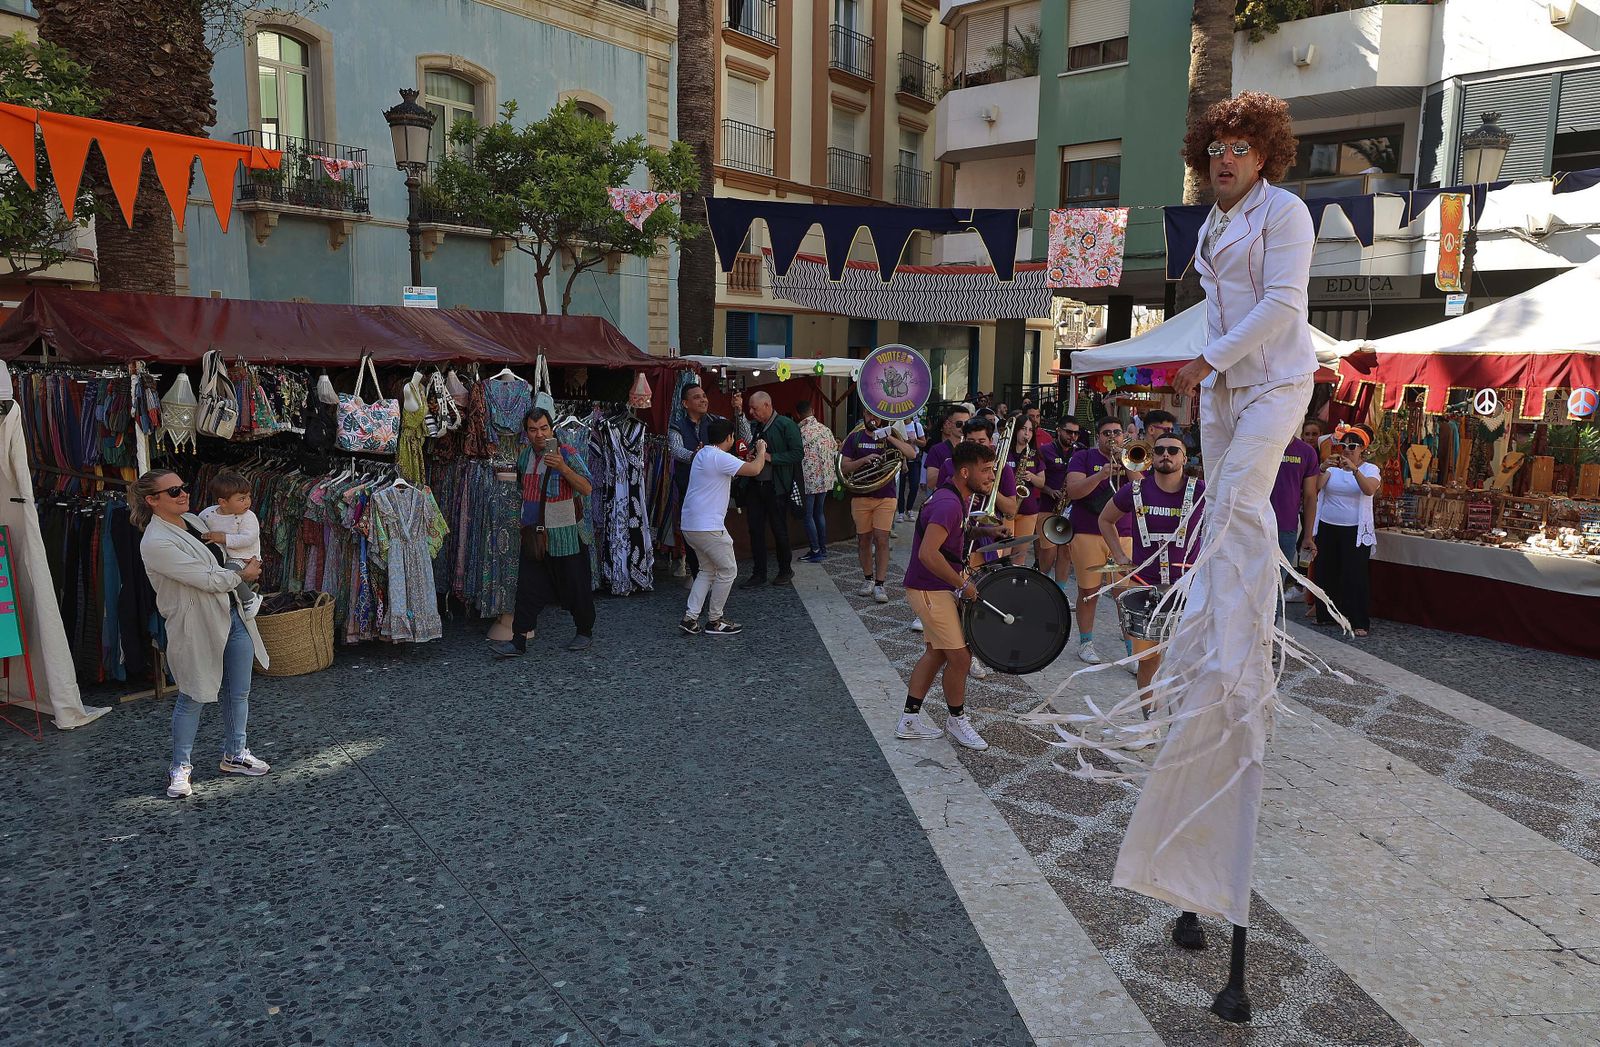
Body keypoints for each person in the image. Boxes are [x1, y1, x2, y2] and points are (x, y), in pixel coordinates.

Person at [1113, 90, 1320, 940]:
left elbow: (1281, 306)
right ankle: (1211, 633)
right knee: (1217, 510)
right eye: (1216, 147)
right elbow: (1215, 306)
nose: (1225, 158)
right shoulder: (1210, 225)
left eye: (1240, 147)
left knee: (1238, 499)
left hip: (1274, 382)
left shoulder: (1287, 214)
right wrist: (1201, 367)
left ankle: (1235, 647)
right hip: (1224, 390)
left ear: (1265, 154)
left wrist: (1205, 360)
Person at [133, 470, 270, 800]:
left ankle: (235, 752)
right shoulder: (155, 541)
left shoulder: (193, 521)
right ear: (152, 500)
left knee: (239, 691)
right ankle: (180, 765)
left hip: (231, 614)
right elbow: (206, 578)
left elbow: (219, 562)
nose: (183, 494)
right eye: (173, 491)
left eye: (183, 487)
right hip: (196, 623)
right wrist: (242, 575)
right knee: (193, 693)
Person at [899, 440, 997, 752]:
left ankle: (909, 720)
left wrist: (984, 532)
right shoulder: (948, 504)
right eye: (986, 470)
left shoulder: (955, 497)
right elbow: (928, 554)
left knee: (937, 653)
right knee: (961, 657)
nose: (991, 476)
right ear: (965, 472)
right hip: (930, 588)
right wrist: (961, 584)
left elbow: (950, 536)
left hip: (932, 587)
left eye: (993, 469)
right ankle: (957, 720)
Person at [1099, 433, 1205, 696]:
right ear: (1152, 456)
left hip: (1189, 588)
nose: (1165, 454)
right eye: (1159, 450)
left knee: (1190, 661)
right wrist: (1119, 555)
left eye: (1173, 450)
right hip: (1146, 586)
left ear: (1184, 458)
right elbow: (1105, 519)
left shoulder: (1202, 490)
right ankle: (1148, 716)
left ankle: (1181, 715)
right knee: (1148, 661)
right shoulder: (1135, 490)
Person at [491, 407, 596, 657]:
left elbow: (587, 487)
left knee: (575, 584)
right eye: (533, 429)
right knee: (527, 587)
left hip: (566, 534)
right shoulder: (525, 456)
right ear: (526, 432)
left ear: (552, 429)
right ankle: (518, 640)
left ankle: (584, 631)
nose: (539, 434)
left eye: (544, 428)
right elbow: (522, 488)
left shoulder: (567, 453)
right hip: (534, 535)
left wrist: (563, 468)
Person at [680, 418, 770, 636]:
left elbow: (733, 467)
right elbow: (755, 469)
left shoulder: (702, 454)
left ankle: (690, 618)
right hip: (708, 527)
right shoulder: (719, 457)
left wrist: (745, 459)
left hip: (690, 525)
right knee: (728, 570)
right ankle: (715, 620)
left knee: (707, 570)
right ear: (729, 437)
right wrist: (761, 450)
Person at [1064, 416, 1135, 664]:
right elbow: (1073, 491)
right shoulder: (1083, 457)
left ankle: (1132, 651)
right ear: (1098, 437)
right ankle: (1086, 643)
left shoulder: (1131, 457)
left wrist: (1128, 464)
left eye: (1117, 432)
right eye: (1107, 433)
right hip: (1088, 531)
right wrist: (1101, 475)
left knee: (1125, 595)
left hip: (1123, 532)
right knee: (1088, 591)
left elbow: (1143, 490)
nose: (1112, 437)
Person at [671, 384, 749, 575]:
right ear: (685, 403)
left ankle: (713, 577)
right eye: (697, 397)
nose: (703, 400)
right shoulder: (677, 425)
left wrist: (739, 412)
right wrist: (695, 455)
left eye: (704, 395)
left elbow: (745, 438)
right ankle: (698, 575)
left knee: (715, 535)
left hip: (715, 491)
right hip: (689, 489)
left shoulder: (717, 421)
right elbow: (675, 450)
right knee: (692, 538)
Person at [840, 413, 916, 603]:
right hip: (861, 495)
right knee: (863, 540)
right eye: (868, 413)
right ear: (864, 414)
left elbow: (912, 454)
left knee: (882, 539)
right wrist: (862, 461)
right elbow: (844, 467)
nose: (872, 418)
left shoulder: (891, 435)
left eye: (876, 414)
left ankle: (880, 584)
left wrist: (889, 437)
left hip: (886, 495)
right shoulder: (855, 437)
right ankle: (868, 579)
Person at [1313, 424, 1379, 637]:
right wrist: (1322, 468)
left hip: (1354, 529)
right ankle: (1327, 615)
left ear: (1362, 449)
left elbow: (1369, 490)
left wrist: (1355, 470)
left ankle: (1358, 620)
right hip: (1328, 525)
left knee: (1354, 575)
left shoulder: (1370, 469)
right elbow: (1315, 487)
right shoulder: (1333, 469)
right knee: (1326, 571)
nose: (1347, 450)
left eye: (1352, 446)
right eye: (1343, 446)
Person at [739, 391, 802, 589]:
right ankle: (759, 573)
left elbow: (797, 453)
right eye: (750, 408)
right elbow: (750, 446)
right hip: (755, 486)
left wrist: (771, 457)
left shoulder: (786, 424)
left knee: (779, 529)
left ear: (767, 405)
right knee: (755, 530)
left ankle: (785, 570)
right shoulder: (756, 426)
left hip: (776, 487)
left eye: (754, 408)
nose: (751, 412)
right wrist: (751, 455)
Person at [1272, 430, 1321, 602]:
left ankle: (1273, 621)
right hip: (1254, 525)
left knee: (1276, 586)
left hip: (1286, 529)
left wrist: (1308, 536)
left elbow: (1310, 496)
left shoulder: (1306, 452)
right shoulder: (1260, 444)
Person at [1035, 417, 1078, 587]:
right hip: (1048, 506)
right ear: (1059, 430)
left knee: (1066, 552)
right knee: (1049, 551)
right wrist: (1049, 490)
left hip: (1070, 509)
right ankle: (1042, 586)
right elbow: (1037, 478)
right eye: (1069, 432)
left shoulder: (1079, 452)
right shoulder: (1045, 450)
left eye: (1076, 433)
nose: (1072, 436)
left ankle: (1060, 590)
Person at [795, 399, 838, 563]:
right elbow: (834, 449)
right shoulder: (825, 430)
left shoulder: (800, 432)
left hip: (808, 480)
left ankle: (815, 550)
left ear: (798, 415)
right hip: (825, 479)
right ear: (812, 411)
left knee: (808, 516)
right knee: (819, 513)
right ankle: (823, 548)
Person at [198, 470, 262, 566]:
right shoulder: (207, 514)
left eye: (248, 497)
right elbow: (198, 527)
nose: (247, 502)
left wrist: (224, 538)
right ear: (223, 502)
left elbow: (249, 538)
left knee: (231, 571)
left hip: (243, 558)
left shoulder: (248, 516)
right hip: (218, 555)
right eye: (242, 499)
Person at [1006, 417, 1045, 566]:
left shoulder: (1035, 454)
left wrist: (1031, 476)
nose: (1027, 433)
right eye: (1023, 429)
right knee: (1003, 552)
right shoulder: (1005, 452)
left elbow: (1041, 482)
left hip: (1028, 510)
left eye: (1030, 430)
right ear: (1016, 430)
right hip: (1006, 508)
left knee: (1020, 554)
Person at [922, 404, 971, 495]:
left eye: (967, 424)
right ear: (948, 424)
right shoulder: (936, 449)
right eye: (959, 424)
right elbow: (931, 483)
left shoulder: (973, 448)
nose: (963, 427)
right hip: (948, 497)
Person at [895, 412, 928, 522]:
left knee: (914, 485)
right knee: (900, 487)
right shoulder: (898, 425)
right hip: (901, 459)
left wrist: (915, 440)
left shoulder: (917, 426)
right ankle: (900, 511)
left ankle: (909, 509)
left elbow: (924, 443)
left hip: (914, 459)